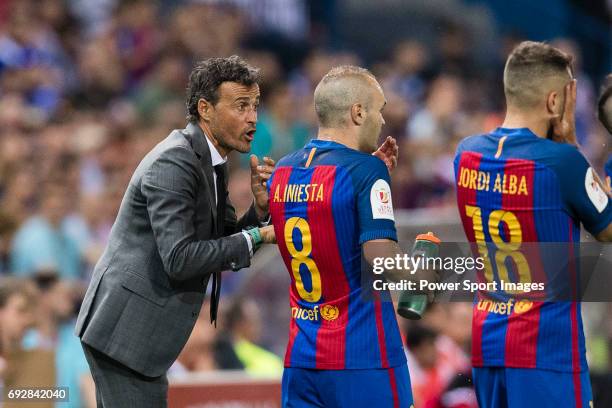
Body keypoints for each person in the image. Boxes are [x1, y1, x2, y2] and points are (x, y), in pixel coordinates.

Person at [75, 55, 276, 407]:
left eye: (255, 106)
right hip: (124, 336)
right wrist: (258, 236)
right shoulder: (175, 161)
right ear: (205, 109)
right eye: (241, 106)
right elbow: (180, 259)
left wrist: (258, 212)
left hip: (142, 338)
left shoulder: (211, 160)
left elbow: (223, 241)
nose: (252, 118)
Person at [454, 41, 612, 408]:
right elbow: (607, 229)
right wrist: (573, 146)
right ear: (555, 102)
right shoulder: (562, 162)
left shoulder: (466, 152)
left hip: (488, 345)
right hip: (547, 352)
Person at [268, 65, 429, 407]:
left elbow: (327, 220)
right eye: (379, 109)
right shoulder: (364, 172)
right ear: (358, 112)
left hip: (301, 359)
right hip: (363, 357)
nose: (382, 121)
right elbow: (382, 260)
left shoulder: (282, 170)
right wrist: (429, 273)